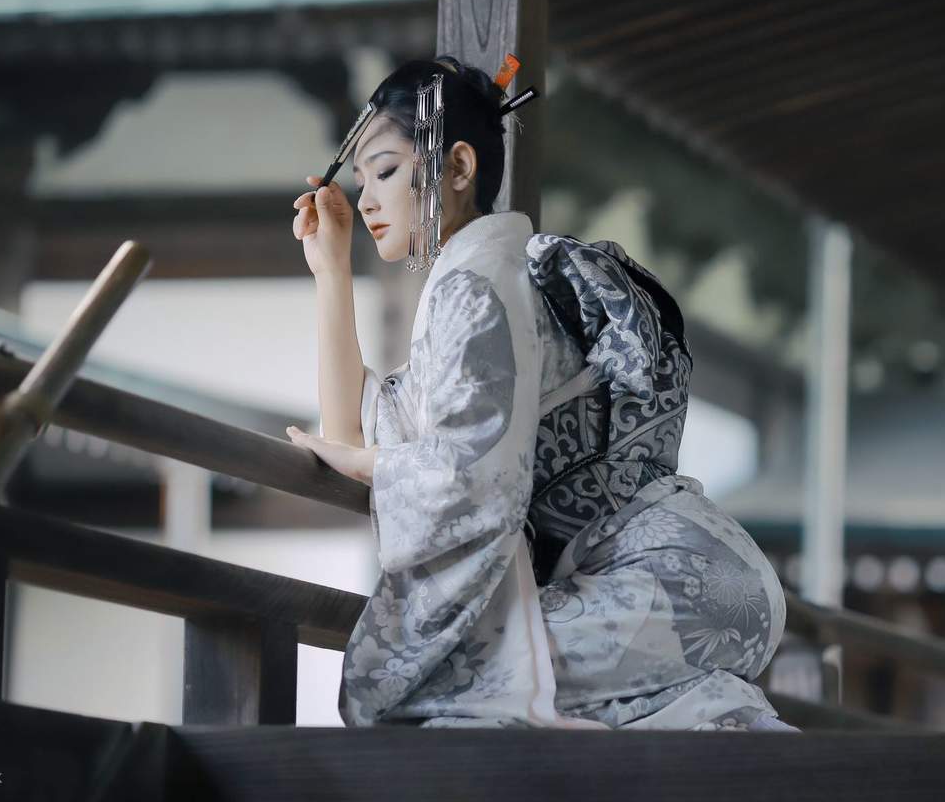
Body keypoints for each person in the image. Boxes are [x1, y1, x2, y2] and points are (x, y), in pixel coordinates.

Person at [285, 55, 794, 731]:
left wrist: (370, 466)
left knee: (439, 681)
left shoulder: (476, 285)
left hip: (659, 581)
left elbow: (476, 477)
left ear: (458, 167)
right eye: (359, 182)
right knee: (525, 698)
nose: (367, 200)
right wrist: (331, 268)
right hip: (694, 578)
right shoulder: (478, 279)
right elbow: (355, 429)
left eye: (383, 171)